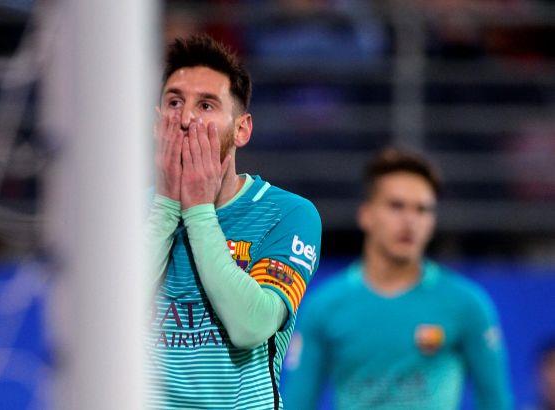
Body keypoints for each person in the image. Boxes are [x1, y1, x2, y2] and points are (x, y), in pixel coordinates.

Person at [145, 34, 321, 409]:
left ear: (242, 129)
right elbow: (104, 322)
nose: (186, 119)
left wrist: (198, 211)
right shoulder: (124, 212)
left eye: (206, 105)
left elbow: (251, 326)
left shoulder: (288, 214)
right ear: (158, 122)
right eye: (175, 102)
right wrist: (166, 205)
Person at [282, 148, 512, 409]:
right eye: (396, 206)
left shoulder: (467, 304)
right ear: (366, 215)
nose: (409, 221)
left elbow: (496, 402)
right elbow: (297, 404)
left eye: (422, 210)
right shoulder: (324, 306)